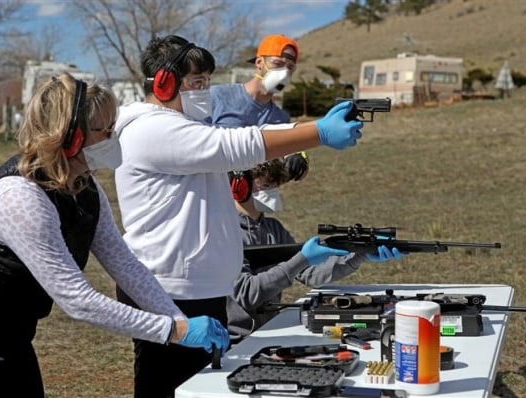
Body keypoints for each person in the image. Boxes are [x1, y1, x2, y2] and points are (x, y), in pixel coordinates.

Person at [0, 73, 228, 398]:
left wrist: (178, 318)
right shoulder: (20, 197)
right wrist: (171, 330)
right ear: (70, 137)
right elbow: (78, 301)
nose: (112, 136)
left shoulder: (84, 188)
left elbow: (124, 264)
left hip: (7, 337)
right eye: (104, 129)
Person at [114, 34, 364, 397]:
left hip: (195, 289)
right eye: (197, 83)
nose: (205, 91)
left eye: (207, 82)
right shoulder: (151, 129)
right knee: (167, 388)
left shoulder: (180, 128)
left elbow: (244, 138)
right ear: (165, 82)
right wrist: (319, 132)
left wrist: (308, 131)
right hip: (168, 290)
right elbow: (235, 146)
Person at [226, 163, 404, 344]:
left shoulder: (273, 228)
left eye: (275, 185)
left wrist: (359, 257)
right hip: (237, 342)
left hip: (268, 331)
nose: (273, 191)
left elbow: (311, 275)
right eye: (265, 186)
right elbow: (246, 294)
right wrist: (302, 259)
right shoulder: (224, 232)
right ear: (239, 186)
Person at [210, 34, 308, 212]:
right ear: (259, 63)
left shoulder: (281, 119)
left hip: (253, 209)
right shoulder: (218, 96)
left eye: (290, 68)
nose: (284, 73)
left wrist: (297, 157)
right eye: (278, 64)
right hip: (212, 200)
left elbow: (278, 167)